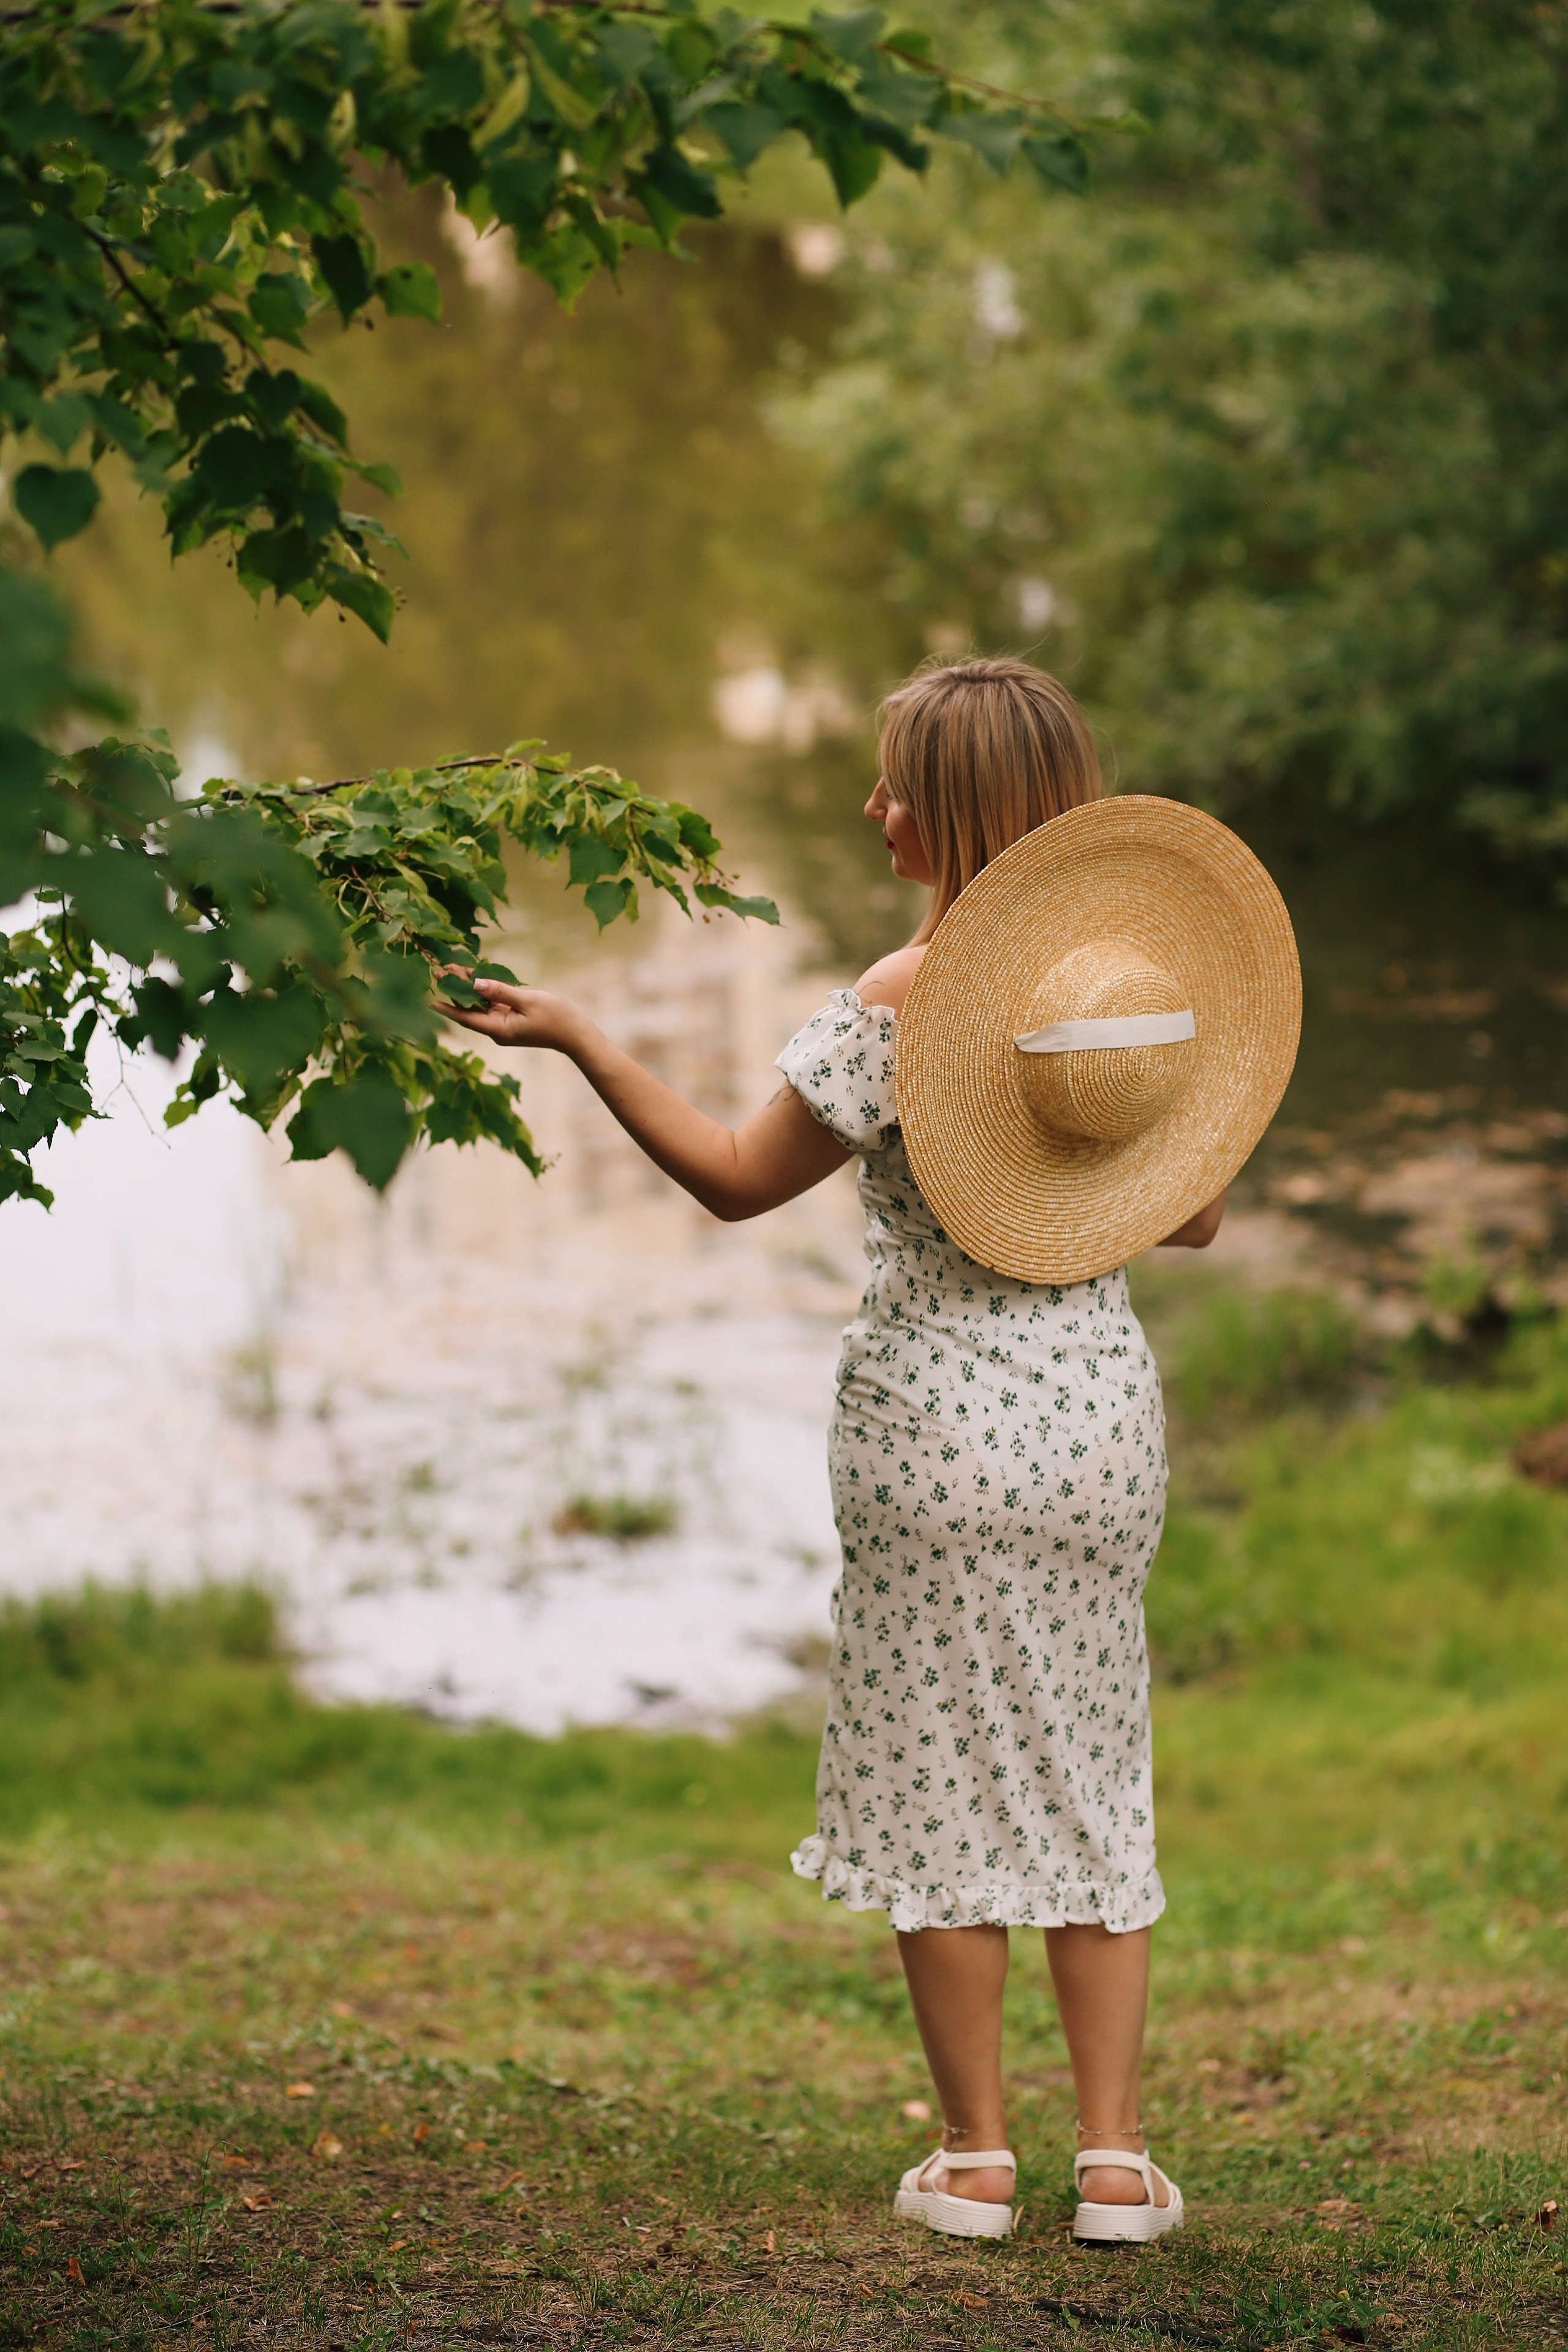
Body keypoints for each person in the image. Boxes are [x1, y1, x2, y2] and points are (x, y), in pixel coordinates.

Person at [441, 657, 1226, 2245]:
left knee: (945, 1771)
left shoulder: (895, 1001)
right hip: (1091, 1428)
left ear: (955, 809)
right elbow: (1196, 1214)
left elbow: (738, 1177)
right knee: (1090, 1764)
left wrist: (589, 1040)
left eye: (895, 787)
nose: (875, 809)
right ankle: (1123, 2165)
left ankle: (979, 2158)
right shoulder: (1116, 994)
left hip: (933, 1427)